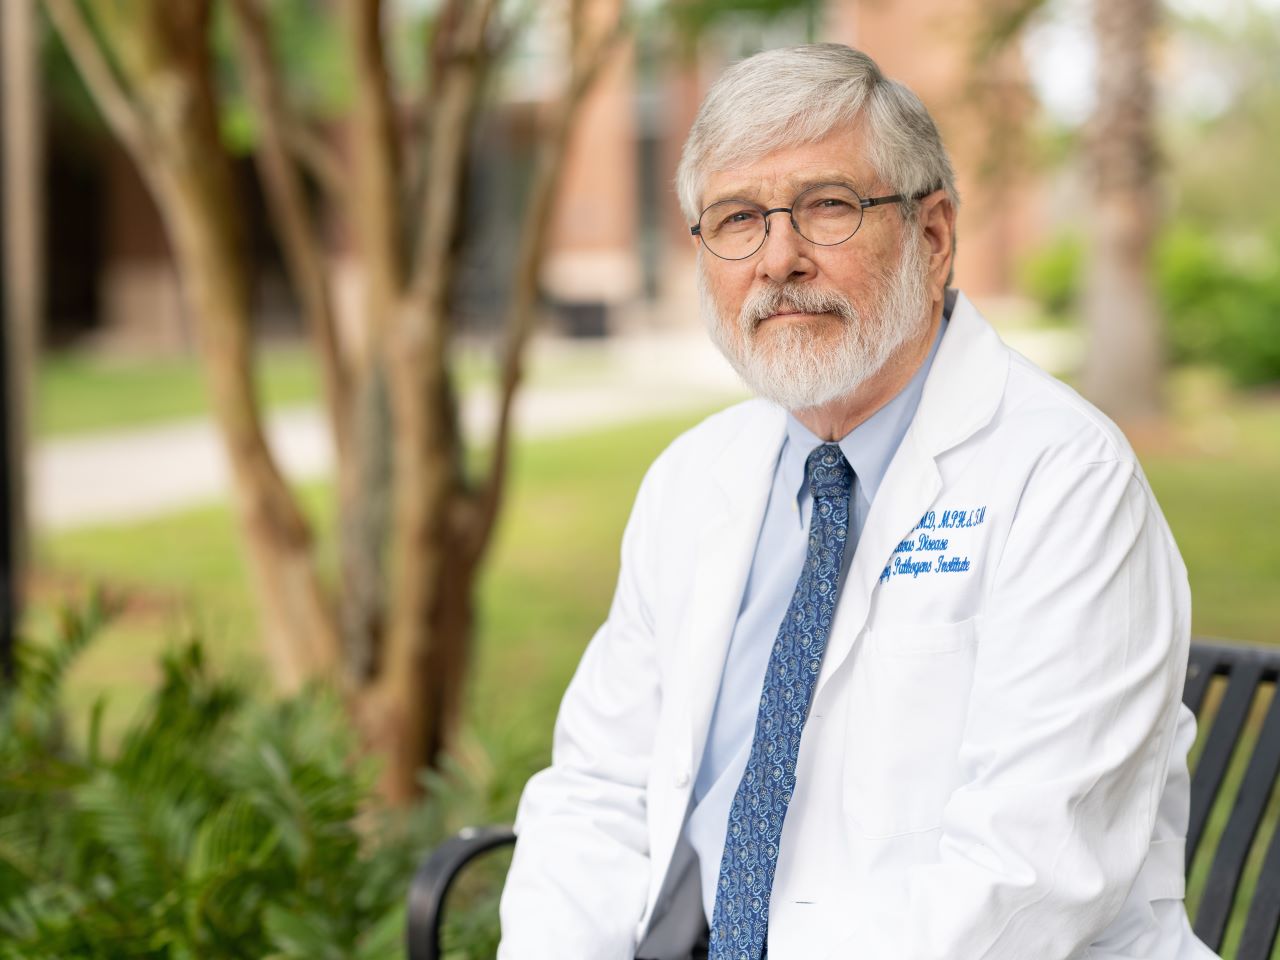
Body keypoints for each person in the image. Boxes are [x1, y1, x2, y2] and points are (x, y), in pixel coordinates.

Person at [498, 43, 1218, 960]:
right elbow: (598, 793)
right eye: (737, 218)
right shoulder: (692, 479)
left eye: (828, 208)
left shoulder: (1065, 478)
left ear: (934, 234)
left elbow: (1026, 880)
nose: (778, 259)